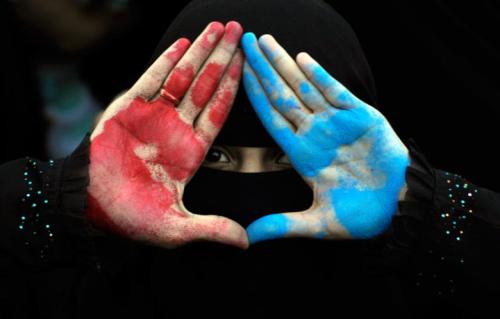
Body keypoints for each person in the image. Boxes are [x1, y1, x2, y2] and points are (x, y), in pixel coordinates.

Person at [1, 0, 500, 318]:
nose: (251, 208)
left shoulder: (435, 295)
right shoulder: (67, 294)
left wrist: (427, 209)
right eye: (216, 156)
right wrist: (57, 200)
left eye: (286, 160)